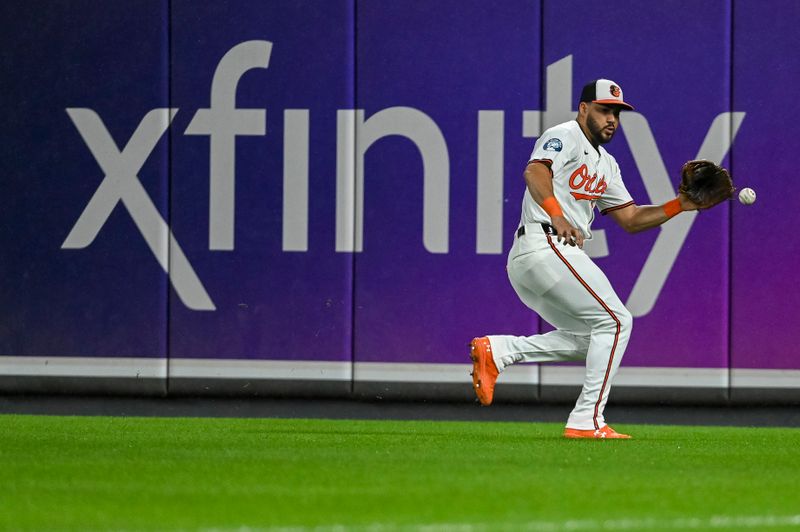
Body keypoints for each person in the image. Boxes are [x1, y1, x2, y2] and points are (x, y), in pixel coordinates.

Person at [470, 79, 712, 439]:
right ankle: (587, 419)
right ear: (583, 109)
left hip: (541, 258)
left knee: (595, 337)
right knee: (616, 321)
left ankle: (502, 350)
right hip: (545, 244)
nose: (611, 118)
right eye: (603, 110)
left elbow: (631, 219)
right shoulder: (565, 134)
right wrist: (556, 213)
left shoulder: (607, 165)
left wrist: (681, 205)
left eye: (616, 112)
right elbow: (535, 171)